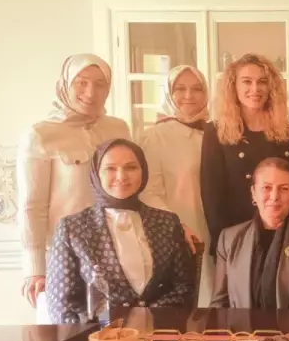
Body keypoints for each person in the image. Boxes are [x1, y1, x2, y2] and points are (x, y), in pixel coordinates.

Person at [18, 54, 131, 321]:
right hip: (64, 256)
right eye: (81, 83)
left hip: (117, 252)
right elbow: (32, 206)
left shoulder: (119, 128)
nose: (91, 93)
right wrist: (35, 268)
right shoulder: (41, 135)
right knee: (65, 334)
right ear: (65, 84)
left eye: (100, 84)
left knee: (119, 333)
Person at [44, 139, 195, 324]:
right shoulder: (72, 228)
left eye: (131, 167)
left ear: (143, 171)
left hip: (160, 333)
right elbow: (63, 307)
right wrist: (104, 336)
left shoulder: (167, 222)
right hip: (97, 337)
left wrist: (146, 323)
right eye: (110, 168)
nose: (122, 176)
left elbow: (184, 288)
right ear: (96, 173)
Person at [200, 54, 289, 259]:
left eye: (262, 82)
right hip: (236, 236)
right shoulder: (215, 133)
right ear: (233, 87)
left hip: (285, 236)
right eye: (247, 81)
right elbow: (212, 195)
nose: (255, 89)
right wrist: (223, 244)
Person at [210, 158, 289, 309]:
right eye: (266, 187)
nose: (274, 196)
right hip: (241, 325)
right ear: (253, 193)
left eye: (283, 189)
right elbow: (218, 305)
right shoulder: (228, 238)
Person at [141, 65, 212, 305]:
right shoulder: (155, 136)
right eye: (180, 89)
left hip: (215, 231)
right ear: (168, 93)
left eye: (197, 89)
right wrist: (177, 226)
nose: (189, 96)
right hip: (179, 231)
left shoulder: (215, 132)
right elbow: (149, 192)